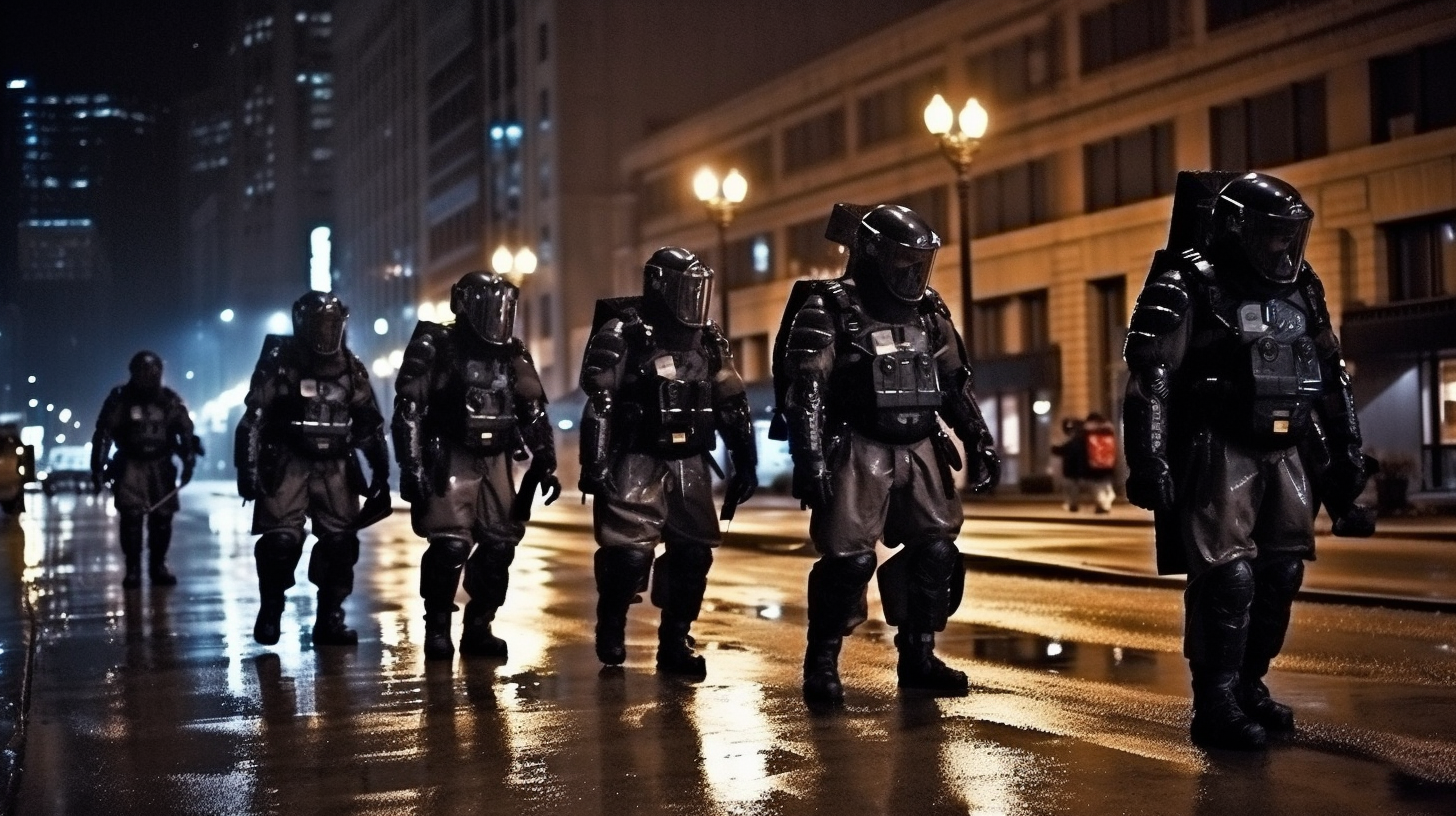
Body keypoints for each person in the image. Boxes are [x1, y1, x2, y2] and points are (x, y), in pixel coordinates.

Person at [1123, 172, 1375, 750]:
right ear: (1238, 230)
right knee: (1227, 578)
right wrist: (1150, 458)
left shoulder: (1302, 285)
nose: (1283, 246)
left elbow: (1331, 374)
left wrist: (1348, 451)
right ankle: (1214, 700)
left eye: (1291, 234)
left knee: (1281, 572)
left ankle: (1248, 684)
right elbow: (1151, 378)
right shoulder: (1186, 280)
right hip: (1219, 447)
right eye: (1272, 233)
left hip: (1286, 447)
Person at [775, 204, 998, 705]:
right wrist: (809, 457)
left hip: (920, 444)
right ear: (872, 255)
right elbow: (806, 389)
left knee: (936, 552)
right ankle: (823, 661)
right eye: (901, 259)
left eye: (918, 260)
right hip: (857, 444)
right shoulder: (829, 307)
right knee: (849, 561)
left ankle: (918, 655)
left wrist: (978, 438)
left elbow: (953, 384)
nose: (910, 271)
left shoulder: (929, 310)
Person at [578, 247, 757, 677]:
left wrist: (745, 458)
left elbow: (730, 398)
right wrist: (596, 464)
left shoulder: (708, 339)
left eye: (699, 290)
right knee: (627, 557)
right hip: (635, 458)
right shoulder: (621, 333)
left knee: (694, 555)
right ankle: (612, 624)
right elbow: (600, 401)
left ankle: (674, 642)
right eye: (685, 290)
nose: (693, 300)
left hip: (689, 460)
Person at [394, 270, 561, 662]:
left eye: (502, 307)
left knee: (500, 546)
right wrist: (412, 464)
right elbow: (410, 410)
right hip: (450, 455)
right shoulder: (435, 346)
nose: (496, 317)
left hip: (497, 459)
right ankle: (437, 626)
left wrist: (546, 460)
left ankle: (479, 626)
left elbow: (533, 411)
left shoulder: (512, 353)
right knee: (449, 546)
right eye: (486, 307)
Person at [236, 291, 390, 646]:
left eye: (331, 325)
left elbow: (369, 424)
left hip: (336, 465)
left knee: (340, 545)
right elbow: (253, 418)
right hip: (287, 462)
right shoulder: (279, 363)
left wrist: (381, 472)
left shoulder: (350, 368)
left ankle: (330, 618)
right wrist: (248, 468)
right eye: (318, 325)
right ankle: (272, 606)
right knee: (280, 543)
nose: (325, 333)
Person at [91, 351, 204, 588]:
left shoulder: (169, 400)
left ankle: (158, 566)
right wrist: (98, 466)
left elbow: (184, 432)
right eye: (143, 371)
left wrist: (189, 460)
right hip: (130, 465)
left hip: (161, 466)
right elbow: (104, 433)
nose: (148, 376)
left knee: (162, 519)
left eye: (153, 372)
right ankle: (133, 569)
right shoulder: (120, 398)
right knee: (131, 518)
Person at [1082, 412, 1118, 513]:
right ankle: (1105, 503)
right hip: (1108, 463)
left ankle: (1103, 505)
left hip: (1094, 463)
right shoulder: (1109, 430)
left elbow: (1083, 450)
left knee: (1096, 486)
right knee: (1106, 484)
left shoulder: (1087, 432)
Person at [1050, 417, 1088, 511]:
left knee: (1071, 487)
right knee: (1072, 487)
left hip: (1072, 468)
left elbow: (1062, 450)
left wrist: (1054, 447)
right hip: (1076, 467)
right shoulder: (1079, 439)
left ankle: (1073, 504)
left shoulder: (1075, 440)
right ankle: (1072, 504)